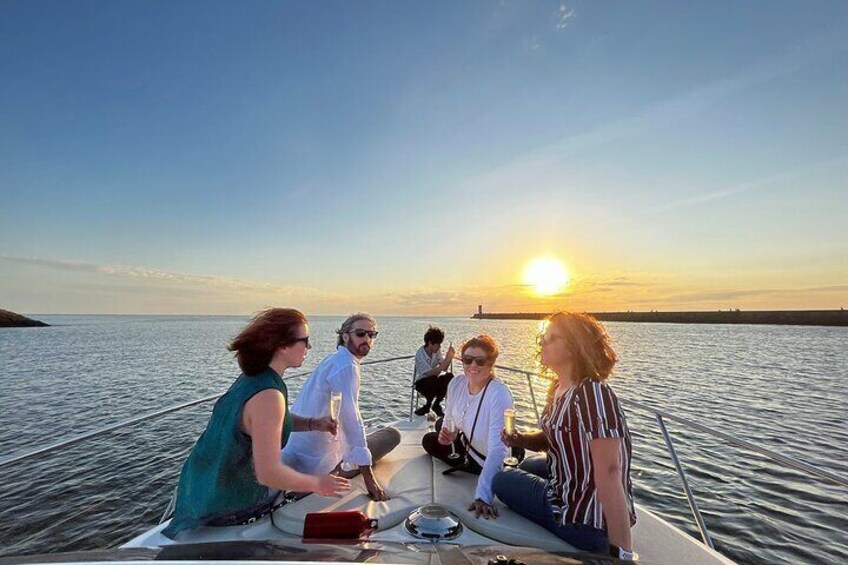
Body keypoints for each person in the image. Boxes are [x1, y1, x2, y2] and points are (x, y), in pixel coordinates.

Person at [163, 308, 350, 539]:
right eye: (305, 341)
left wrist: (313, 423)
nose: (309, 348)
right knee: (317, 471)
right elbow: (268, 474)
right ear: (282, 345)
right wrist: (318, 484)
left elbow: (265, 423)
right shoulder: (269, 396)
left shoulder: (254, 378)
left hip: (199, 487)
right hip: (230, 505)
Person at [492, 312, 636, 560]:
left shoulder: (592, 393)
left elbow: (611, 471)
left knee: (501, 480)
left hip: (582, 521)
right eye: (542, 339)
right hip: (571, 481)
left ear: (575, 345)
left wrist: (621, 554)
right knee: (527, 464)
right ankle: (553, 487)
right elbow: (554, 439)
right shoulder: (559, 387)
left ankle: (557, 503)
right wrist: (521, 440)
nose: (542, 344)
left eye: (552, 339)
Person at [282, 313, 401, 501]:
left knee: (370, 440)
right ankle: (339, 472)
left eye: (372, 335)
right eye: (360, 333)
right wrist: (369, 478)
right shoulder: (347, 366)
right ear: (346, 336)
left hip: (298, 451)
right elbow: (351, 419)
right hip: (320, 461)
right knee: (392, 435)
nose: (367, 339)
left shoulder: (333, 360)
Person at [421, 335, 514, 519]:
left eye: (480, 361)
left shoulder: (499, 394)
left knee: (429, 441)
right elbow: (449, 421)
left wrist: (483, 496)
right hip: (467, 440)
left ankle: (475, 468)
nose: (473, 366)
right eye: (467, 360)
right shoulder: (456, 383)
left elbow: (498, 449)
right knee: (435, 431)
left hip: (487, 456)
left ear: (491, 363)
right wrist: (448, 435)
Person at [413, 326, 455, 416]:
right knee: (432, 379)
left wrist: (449, 357)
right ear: (430, 343)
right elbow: (430, 373)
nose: (439, 346)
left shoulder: (437, 350)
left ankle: (436, 404)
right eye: (437, 344)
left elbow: (444, 368)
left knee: (449, 377)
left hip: (434, 381)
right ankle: (427, 406)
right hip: (422, 382)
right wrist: (447, 359)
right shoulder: (420, 354)